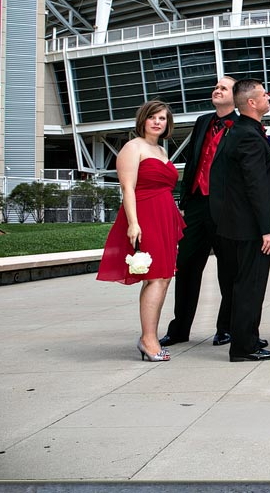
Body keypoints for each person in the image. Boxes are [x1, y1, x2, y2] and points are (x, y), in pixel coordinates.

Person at [96, 100, 185, 362]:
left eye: (163, 118)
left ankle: (150, 336)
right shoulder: (132, 147)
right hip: (144, 215)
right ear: (143, 120)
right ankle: (148, 339)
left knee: (164, 276)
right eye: (153, 117)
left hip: (165, 215)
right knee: (155, 277)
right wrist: (134, 223)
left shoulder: (159, 149)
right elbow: (128, 189)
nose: (158, 122)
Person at [160, 77, 242, 349]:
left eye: (223, 88)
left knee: (228, 271)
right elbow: (195, 160)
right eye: (216, 87)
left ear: (236, 96)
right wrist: (185, 199)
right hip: (196, 205)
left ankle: (226, 328)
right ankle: (179, 329)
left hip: (226, 209)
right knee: (185, 267)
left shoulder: (243, 126)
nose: (217, 90)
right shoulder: (203, 121)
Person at [209, 78, 270, 362]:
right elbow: (256, 186)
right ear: (251, 103)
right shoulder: (249, 135)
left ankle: (246, 337)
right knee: (250, 287)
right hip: (251, 229)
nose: (269, 98)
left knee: (244, 286)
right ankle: (244, 347)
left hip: (237, 226)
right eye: (265, 95)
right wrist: (267, 229)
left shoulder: (240, 131)